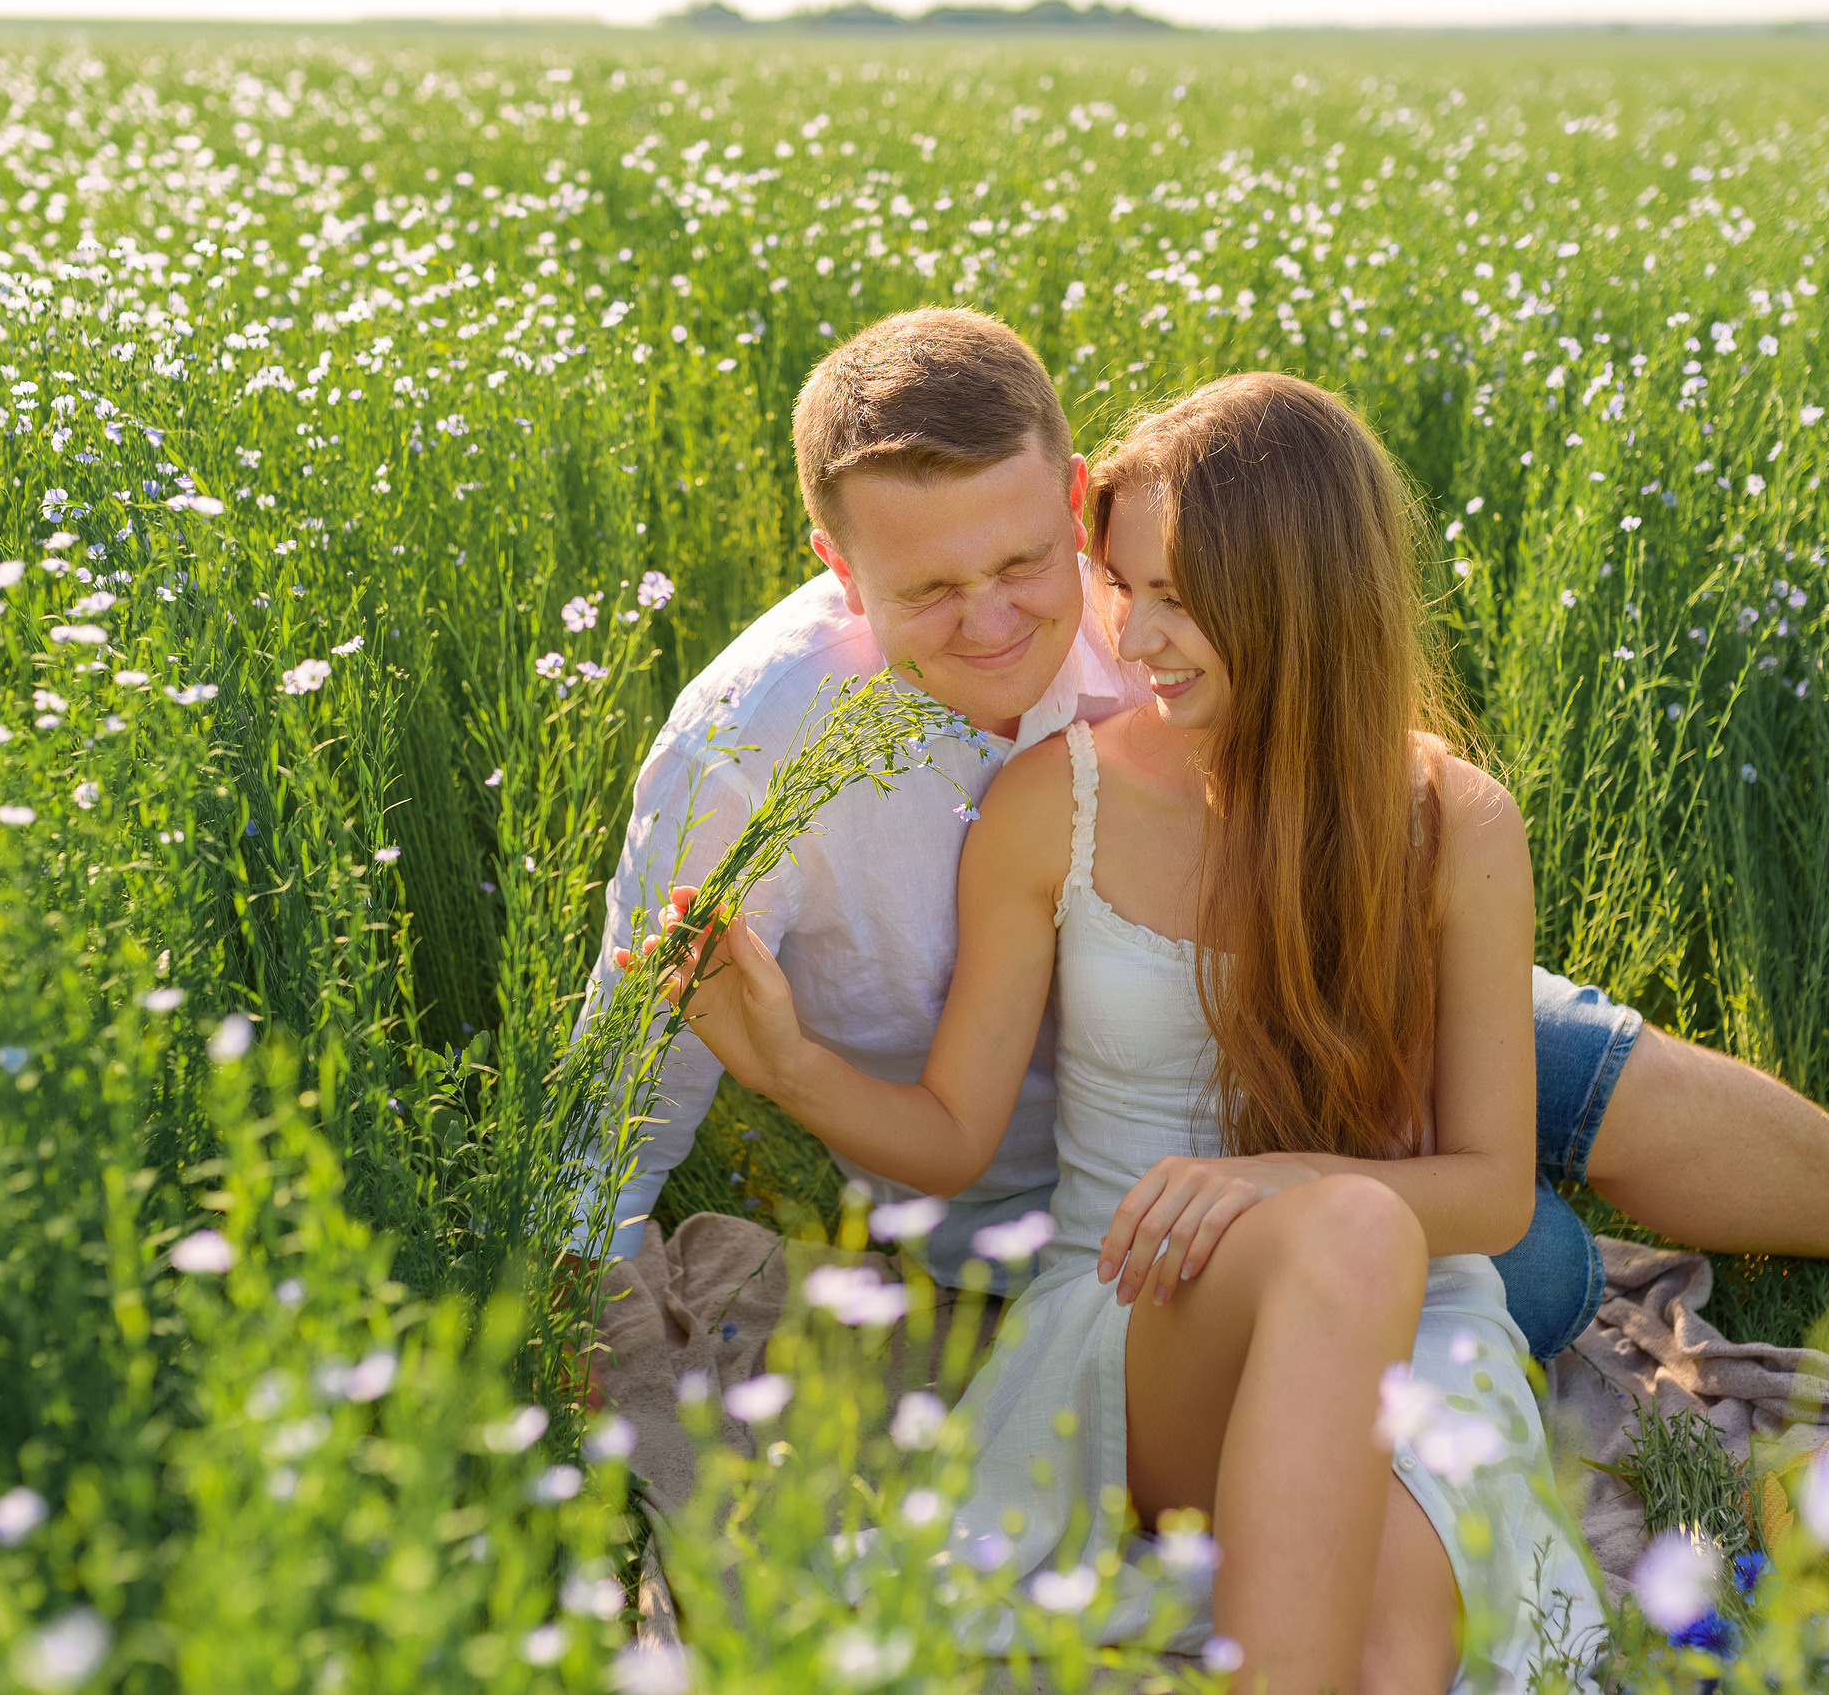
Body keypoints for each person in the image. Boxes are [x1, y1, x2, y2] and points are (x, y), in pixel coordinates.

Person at [573, 304, 1829, 1356]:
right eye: (926, 591)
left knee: (1564, 1051)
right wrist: (582, 1310)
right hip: (1081, 1177)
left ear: (1083, 499)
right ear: (838, 571)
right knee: (1545, 1273)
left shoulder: (1142, 596)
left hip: (1295, 1000)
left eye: (1029, 561)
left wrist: (1427, 901)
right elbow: (629, 1076)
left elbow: (1341, 757)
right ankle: (1515, 1218)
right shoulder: (744, 752)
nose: (997, 624)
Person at [630, 372, 1605, 1691]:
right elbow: (953, 1135)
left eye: (1174, 601)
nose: (1127, 639)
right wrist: (789, 1065)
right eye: (1124, 586)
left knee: (1399, 1658)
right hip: (1144, 1322)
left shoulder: (1455, 821)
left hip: (1422, 1321)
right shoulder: (1056, 801)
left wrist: (1267, 1179)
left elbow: (1491, 1193)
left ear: (1299, 603)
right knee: (1360, 1225)